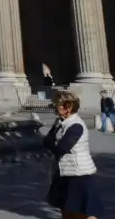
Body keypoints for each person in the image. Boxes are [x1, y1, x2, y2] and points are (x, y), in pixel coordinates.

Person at [45, 90, 103, 219]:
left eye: (57, 105)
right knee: (66, 209)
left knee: (84, 213)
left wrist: (53, 144)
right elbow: (47, 141)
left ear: (68, 107)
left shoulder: (76, 125)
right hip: (65, 172)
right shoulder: (61, 122)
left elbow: (61, 148)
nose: (55, 108)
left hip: (79, 174)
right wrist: (56, 127)